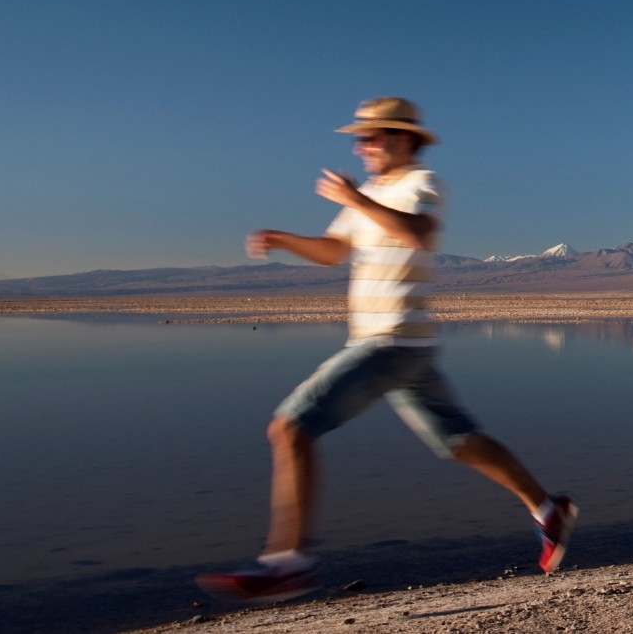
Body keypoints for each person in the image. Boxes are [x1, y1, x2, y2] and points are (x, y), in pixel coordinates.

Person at [196, 98, 576, 604]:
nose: (361, 146)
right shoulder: (371, 193)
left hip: (390, 340)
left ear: (402, 138)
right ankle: (548, 509)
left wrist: (357, 201)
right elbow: (334, 251)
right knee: (458, 441)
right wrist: (284, 239)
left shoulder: (421, 183)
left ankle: (286, 562)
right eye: (361, 137)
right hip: (403, 346)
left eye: (371, 137)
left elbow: (417, 234)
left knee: (290, 427)